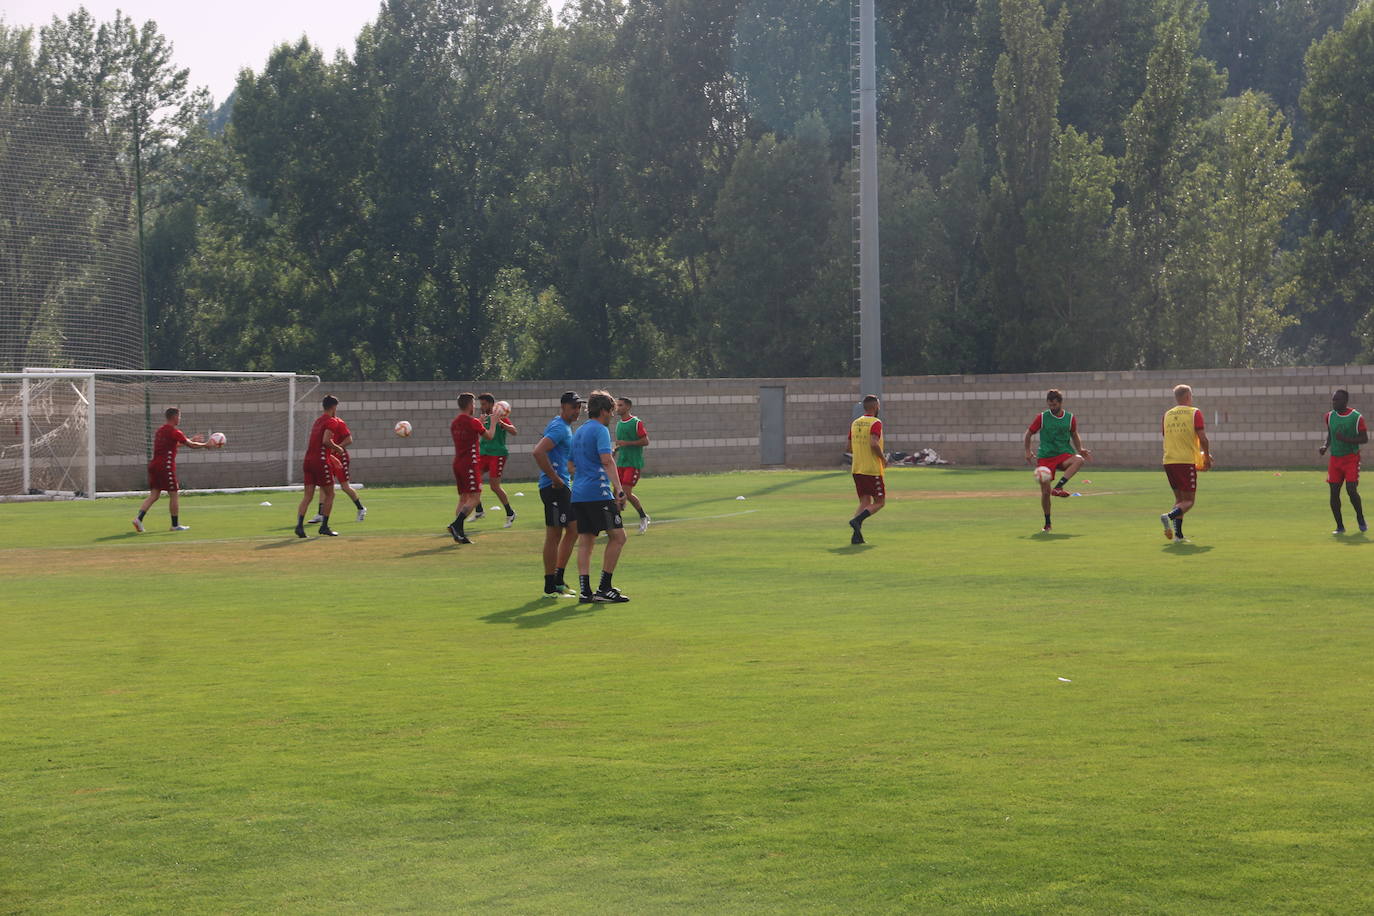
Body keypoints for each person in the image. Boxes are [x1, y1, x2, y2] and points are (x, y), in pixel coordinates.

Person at [570, 390, 630, 602]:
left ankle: (585, 591)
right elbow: (606, 460)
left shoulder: (579, 431)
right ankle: (604, 587)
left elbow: (571, 464)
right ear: (604, 410)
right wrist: (619, 489)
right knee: (619, 537)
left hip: (579, 493)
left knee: (586, 541)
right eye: (611, 411)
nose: (613, 415)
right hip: (598, 492)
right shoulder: (600, 430)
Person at [132, 407, 221, 532]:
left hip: (154, 466)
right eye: (179, 416)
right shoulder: (175, 432)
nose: (180, 418)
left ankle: (138, 519)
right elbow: (191, 445)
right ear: (174, 417)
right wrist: (206, 445)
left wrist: (191, 440)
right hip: (165, 466)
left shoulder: (160, 430)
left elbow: (175, 443)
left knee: (154, 495)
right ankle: (175, 525)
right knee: (174, 494)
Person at [532, 391, 582, 597]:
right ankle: (550, 585)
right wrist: (554, 477)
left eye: (579, 407)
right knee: (554, 535)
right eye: (573, 407)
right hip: (553, 489)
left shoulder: (564, 426)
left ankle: (557, 579)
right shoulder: (559, 427)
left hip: (562, 487)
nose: (577, 411)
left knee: (573, 529)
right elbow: (538, 451)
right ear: (563, 407)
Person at [1023, 389, 1091, 532]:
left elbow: (1074, 434)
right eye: (1049, 405)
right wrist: (1027, 451)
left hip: (1063, 456)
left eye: (1054, 405)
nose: (1052, 408)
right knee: (1046, 492)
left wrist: (1081, 449)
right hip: (1045, 458)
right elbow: (1029, 434)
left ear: (1060, 403)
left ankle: (1059, 487)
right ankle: (1047, 523)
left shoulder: (1070, 418)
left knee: (1079, 460)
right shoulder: (1042, 417)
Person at [1161, 384, 1212, 542]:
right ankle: (1167, 516)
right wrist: (1206, 458)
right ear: (1188, 396)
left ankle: (1178, 536)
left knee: (1179, 500)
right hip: (1184, 461)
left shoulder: (1167, 415)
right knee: (1189, 501)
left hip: (1169, 461)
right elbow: (1202, 438)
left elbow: (1168, 437)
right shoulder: (1194, 413)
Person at [295, 395, 347, 538]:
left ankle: (299, 526)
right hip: (320, 462)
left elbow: (316, 445)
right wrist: (339, 449)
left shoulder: (318, 421)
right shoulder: (332, 421)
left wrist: (331, 458)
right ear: (334, 407)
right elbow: (326, 441)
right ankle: (324, 527)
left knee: (308, 496)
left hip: (308, 461)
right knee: (330, 494)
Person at [1319, 388, 1368, 535]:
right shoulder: (1329, 416)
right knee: (1334, 493)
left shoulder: (1356, 417)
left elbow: (1364, 439)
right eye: (1333, 399)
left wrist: (1346, 439)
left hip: (1351, 458)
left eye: (1337, 399)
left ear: (1345, 401)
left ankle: (1360, 517)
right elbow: (1330, 434)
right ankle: (1340, 526)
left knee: (1351, 490)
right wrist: (1325, 446)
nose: (1334, 402)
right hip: (1335, 459)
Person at [447, 392, 494, 544]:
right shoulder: (473, 422)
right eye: (473, 404)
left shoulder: (455, 422)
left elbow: (467, 434)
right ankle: (456, 525)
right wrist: (494, 421)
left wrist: (478, 422)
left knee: (464, 498)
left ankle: (458, 533)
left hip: (458, 463)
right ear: (468, 405)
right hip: (470, 463)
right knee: (476, 497)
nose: (475, 406)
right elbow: (489, 436)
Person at [308, 414, 365, 523]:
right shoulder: (325, 423)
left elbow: (349, 439)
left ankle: (361, 508)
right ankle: (320, 513)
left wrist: (337, 447)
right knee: (324, 486)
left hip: (341, 457)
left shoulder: (339, 422)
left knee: (345, 487)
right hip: (329, 458)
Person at [475, 393, 518, 528]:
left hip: (497, 454)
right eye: (480, 404)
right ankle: (479, 510)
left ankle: (510, 513)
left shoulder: (500, 416)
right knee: (473, 480)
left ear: (490, 404)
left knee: (494, 486)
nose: (481, 407)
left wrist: (502, 423)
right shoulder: (483, 417)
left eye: (483, 404)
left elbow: (514, 431)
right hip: (484, 453)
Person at [848, 394, 885, 544]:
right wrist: (883, 459)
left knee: (864, 502)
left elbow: (848, 447)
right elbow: (874, 444)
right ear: (875, 406)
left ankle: (856, 536)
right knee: (880, 502)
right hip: (872, 469)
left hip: (857, 468)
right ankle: (856, 521)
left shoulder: (855, 423)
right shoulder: (876, 422)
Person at [613, 396, 651, 533]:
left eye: (621, 405)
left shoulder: (636, 422)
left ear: (628, 407)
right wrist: (615, 450)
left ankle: (643, 517)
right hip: (621, 463)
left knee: (626, 492)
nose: (618, 407)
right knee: (616, 493)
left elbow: (646, 441)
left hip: (633, 463)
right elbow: (621, 444)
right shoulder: (618, 424)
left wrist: (627, 443)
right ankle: (615, 523)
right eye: (617, 405)